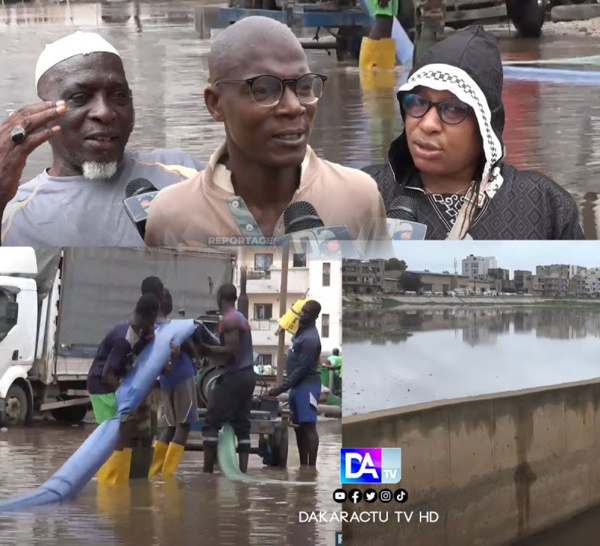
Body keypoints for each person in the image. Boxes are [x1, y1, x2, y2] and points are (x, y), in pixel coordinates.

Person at [143, 16, 389, 252]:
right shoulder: (171, 216)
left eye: (304, 87)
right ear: (216, 104)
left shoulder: (358, 199)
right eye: (263, 90)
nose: (294, 106)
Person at [362, 25, 585, 240]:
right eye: (417, 102)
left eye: (452, 108)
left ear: (485, 126)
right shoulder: (363, 194)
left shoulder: (544, 204)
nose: (428, 124)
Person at [0, 31, 204, 247]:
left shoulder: (185, 172)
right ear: (42, 113)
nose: (105, 112)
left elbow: (244, 239)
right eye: (80, 97)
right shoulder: (13, 212)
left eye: (118, 95)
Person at [87, 294, 159, 484]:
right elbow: (106, 375)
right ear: (149, 315)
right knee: (115, 434)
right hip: (101, 387)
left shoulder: (136, 333)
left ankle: (119, 480)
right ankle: (109, 481)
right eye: (155, 317)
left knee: (125, 432)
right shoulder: (124, 339)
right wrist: (127, 393)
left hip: (108, 386)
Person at [198, 284, 256, 474]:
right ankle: (242, 474)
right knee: (241, 425)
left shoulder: (229, 320)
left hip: (235, 376)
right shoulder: (240, 318)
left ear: (220, 297)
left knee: (211, 423)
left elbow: (233, 352)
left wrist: (207, 349)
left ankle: (207, 475)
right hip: (248, 377)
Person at [149, 289, 200, 478]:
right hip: (182, 377)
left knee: (170, 426)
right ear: (168, 305)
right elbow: (191, 346)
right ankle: (168, 474)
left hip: (165, 380)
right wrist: (196, 357)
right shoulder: (176, 327)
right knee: (183, 426)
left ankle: (153, 471)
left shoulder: (151, 328)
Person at [267, 300, 322, 467]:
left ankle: (311, 468)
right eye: (302, 312)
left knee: (308, 426)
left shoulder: (311, 339)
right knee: (298, 426)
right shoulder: (299, 333)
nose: (302, 315)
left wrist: (279, 389)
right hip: (297, 387)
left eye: (306, 313)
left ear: (315, 317)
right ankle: (303, 465)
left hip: (307, 386)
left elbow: (301, 370)